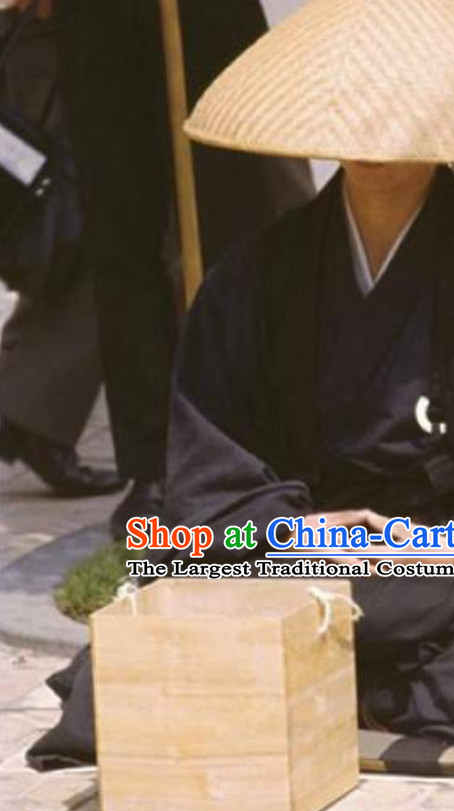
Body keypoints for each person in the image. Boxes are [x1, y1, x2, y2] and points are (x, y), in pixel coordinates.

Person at [27, 0, 454, 775]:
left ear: (448, 117)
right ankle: (386, 707)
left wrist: (444, 539)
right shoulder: (254, 281)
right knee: (136, 661)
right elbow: (212, 490)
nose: (380, 132)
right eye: (362, 105)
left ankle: (329, 695)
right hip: (312, 559)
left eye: (404, 108)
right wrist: (313, 533)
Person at [53, 0, 314, 535]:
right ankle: (152, 465)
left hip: (207, 13)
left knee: (236, 224)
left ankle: (246, 443)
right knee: (119, 236)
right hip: (96, 18)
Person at [0, 1, 122, 497]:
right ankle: (30, 411)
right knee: (78, 220)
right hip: (56, 24)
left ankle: (25, 405)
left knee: (79, 224)